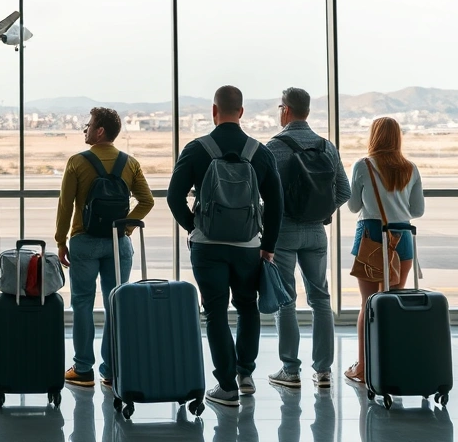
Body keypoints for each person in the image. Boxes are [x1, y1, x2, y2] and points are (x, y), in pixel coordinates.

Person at [167, 85, 284, 407]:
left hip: (208, 247)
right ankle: (246, 375)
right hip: (249, 245)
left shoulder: (196, 149)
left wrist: (195, 227)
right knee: (248, 306)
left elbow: (173, 197)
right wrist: (268, 245)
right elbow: (276, 204)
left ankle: (226, 386)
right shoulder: (260, 152)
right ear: (241, 112)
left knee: (215, 312)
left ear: (214, 111)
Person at [56, 107, 154, 388]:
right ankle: (111, 371)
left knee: (83, 304)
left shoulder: (77, 162)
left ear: (100, 131)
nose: (85, 129)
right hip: (117, 243)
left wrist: (61, 240)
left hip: (84, 242)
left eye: (88, 125)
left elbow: (65, 205)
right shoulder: (130, 163)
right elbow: (147, 201)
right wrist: (126, 228)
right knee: (115, 304)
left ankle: (83, 369)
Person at [265, 88, 351, 389]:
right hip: (317, 231)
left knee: (285, 300)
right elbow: (344, 191)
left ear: (285, 110)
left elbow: (262, 196)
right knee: (320, 298)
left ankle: (290, 370)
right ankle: (324, 371)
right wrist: (322, 212)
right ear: (308, 112)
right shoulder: (326, 146)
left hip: (284, 232)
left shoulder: (273, 147)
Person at [345, 116, 424, 383]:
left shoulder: (363, 165)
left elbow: (354, 207)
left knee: (368, 305)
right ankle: (393, 362)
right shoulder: (410, 168)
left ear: (374, 136)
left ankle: (363, 367)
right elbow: (418, 211)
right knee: (394, 304)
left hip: (370, 234)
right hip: (402, 237)